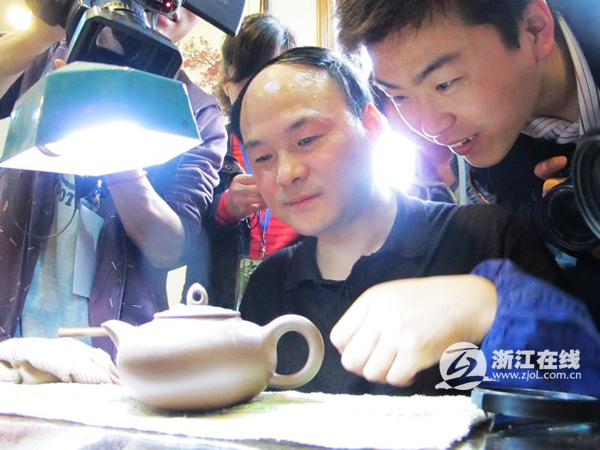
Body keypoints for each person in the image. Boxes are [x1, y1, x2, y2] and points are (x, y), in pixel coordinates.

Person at [229, 46, 599, 396]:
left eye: (307, 139)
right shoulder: (268, 286)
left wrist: (494, 308)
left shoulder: (490, 238)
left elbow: (578, 383)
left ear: (371, 125)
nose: (286, 173)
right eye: (263, 158)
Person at [335, 0, 600, 326]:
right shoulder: (489, 168)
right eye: (399, 96)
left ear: (534, 29)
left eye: (445, 83)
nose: (430, 127)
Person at [0, 7, 227, 358]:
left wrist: (116, 149)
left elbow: (168, 248)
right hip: (12, 333)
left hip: (116, 349)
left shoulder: (195, 110)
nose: (169, 6)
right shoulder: (49, 58)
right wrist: (53, 21)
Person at [184, 13, 299, 308]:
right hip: (217, 305)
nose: (256, 91)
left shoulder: (308, 147)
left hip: (295, 299)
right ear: (226, 84)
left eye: (269, 77)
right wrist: (224, 209)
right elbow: (179, 238)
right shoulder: (209, 143)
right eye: (245, 79)